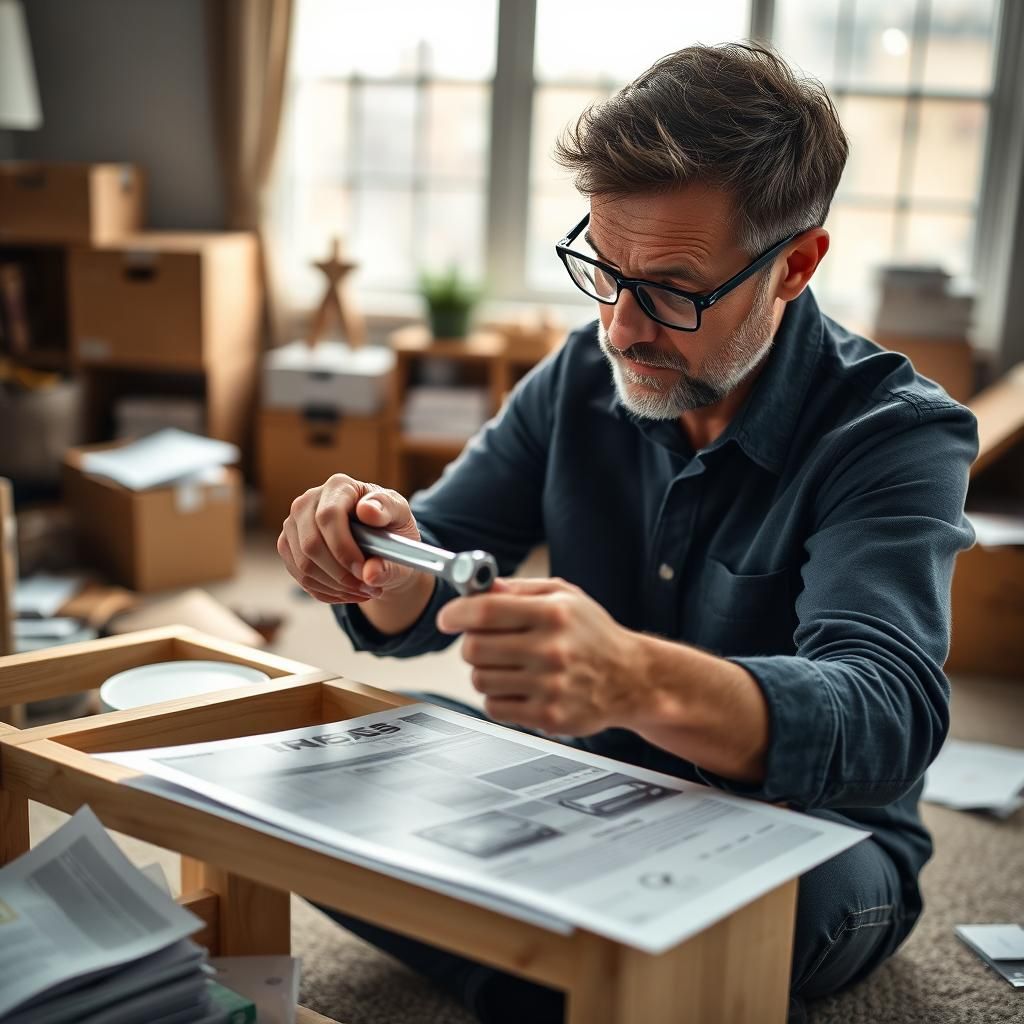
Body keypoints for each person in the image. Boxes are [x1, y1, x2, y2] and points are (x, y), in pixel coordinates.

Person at [277, 43, 977, 1024]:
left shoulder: (896, 432)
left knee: (739, 916)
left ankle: (546, 972)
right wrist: (375, 549)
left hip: (808, 836)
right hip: (576, 790)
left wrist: (638, 679)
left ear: (795, 264)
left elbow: (885, 714)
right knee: (321, 776)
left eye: (672, 288)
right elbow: (441, 563)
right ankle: (576, 979)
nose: (620, 325)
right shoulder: (579, 370)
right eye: (602, 270)